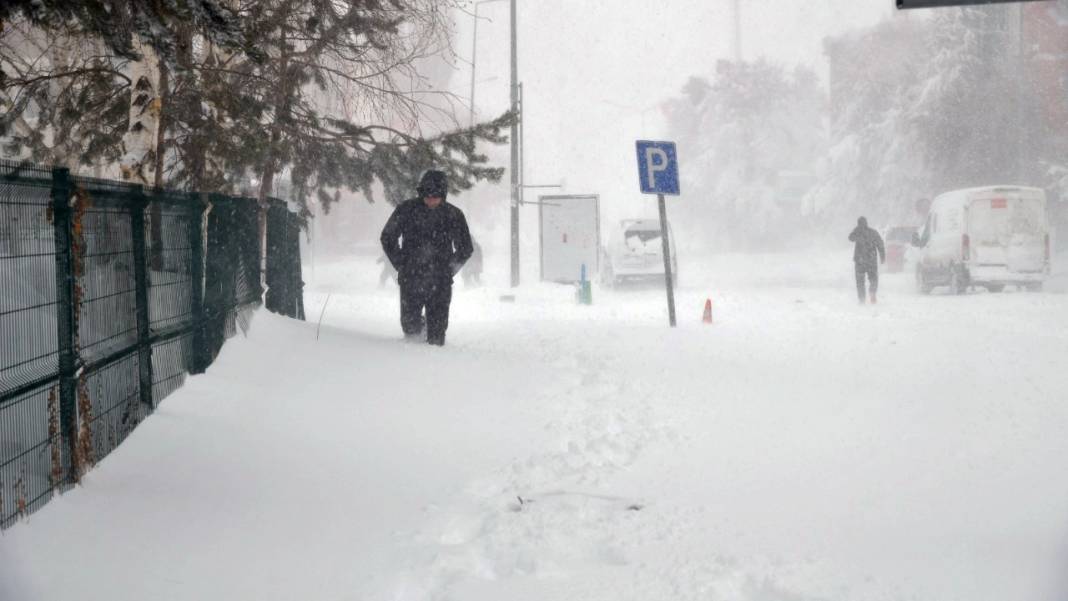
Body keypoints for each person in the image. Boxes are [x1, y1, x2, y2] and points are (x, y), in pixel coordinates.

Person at [380, 170, 473, 345]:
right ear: (421, 192)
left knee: (437, 335)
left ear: (443, 195)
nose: (430, 199)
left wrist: (448, 270)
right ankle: (414, 356)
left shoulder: (453, 215)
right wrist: (401, 263)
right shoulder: (406, 210)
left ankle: (435, 366)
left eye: (435, 196)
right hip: (411, 279)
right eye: (427, 195)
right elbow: (388, 237)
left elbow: (465, 248)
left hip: (440, 282)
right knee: (410, 327)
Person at [849, 216, 886, 304]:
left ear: (858, 224)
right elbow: (880, 244)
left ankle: (862, 299)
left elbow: (850, 237)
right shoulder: (873, 232)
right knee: (873, 278)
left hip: (859, 261)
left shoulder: (857, 233)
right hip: (871, 259)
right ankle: (872, 292)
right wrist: (882, 256)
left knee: (860, 281)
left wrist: (857, 230)